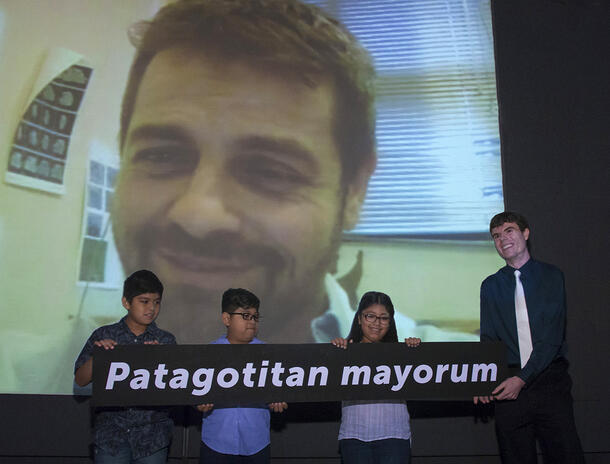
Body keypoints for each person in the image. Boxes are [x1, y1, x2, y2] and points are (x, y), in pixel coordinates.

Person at [109, 0, 477, 345]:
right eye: (160, 155)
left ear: (354, 191)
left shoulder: (456, 379)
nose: (198, 216)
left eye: (271, 171)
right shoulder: (59, 371)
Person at [474, 212, 584, 464]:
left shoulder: (552, 276)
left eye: (509, 231)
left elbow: (552, 339)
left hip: (549, 382)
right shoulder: (490, 285)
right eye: (496, 236)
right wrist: (482, 379)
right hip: (507, 386)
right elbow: (489, 338)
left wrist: (522, 379)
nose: (502, 239)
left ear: (525, 234)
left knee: (566, 455)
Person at [74, 270, 176, 463]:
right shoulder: (104, 334)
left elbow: (174, 391)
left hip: (152, 438)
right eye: (144, 301)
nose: (151, 308)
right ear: (126, 303)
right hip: (111, 436)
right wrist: (99, 356)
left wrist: (162, 362)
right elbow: (80, 380)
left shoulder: (165, 340)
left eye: (156, 302)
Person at [195, 288, 287, 463]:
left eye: (255, 316)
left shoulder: (269, 354)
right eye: (245, 315)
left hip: (256, 444)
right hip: (216, 444)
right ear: (226, 319)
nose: (252, 321)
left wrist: (278, 400)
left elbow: (279, 393)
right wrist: (197, 404)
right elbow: (192, 393)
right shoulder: (207, 353)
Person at [331, 291, 420, 464]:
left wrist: (415, 353)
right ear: (359, 318)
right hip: (354, 436)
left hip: (394, 436)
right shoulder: (343, 352)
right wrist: (334, 354)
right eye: (370, 316)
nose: (377, 323)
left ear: (390, 321)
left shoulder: (402, 353)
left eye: (384, 318)